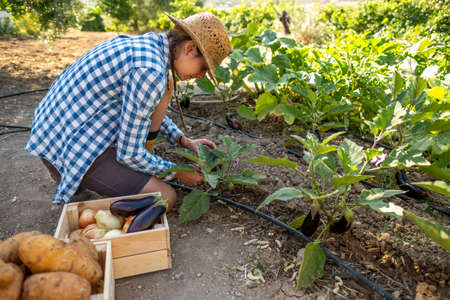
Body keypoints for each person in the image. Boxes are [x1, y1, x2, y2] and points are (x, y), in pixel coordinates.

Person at [25, 12, 232, 211]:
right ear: (189, 48)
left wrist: (182, 140)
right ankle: (80, 195)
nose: (202, 76)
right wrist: (177, 173)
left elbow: (142, 109)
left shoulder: (146, 47)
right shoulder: (149, 71)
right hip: (74, 150)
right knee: (165, 198)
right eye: (204, 68)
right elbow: (129, 154)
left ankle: (86, 181)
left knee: (166, 87)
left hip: (52, 134)